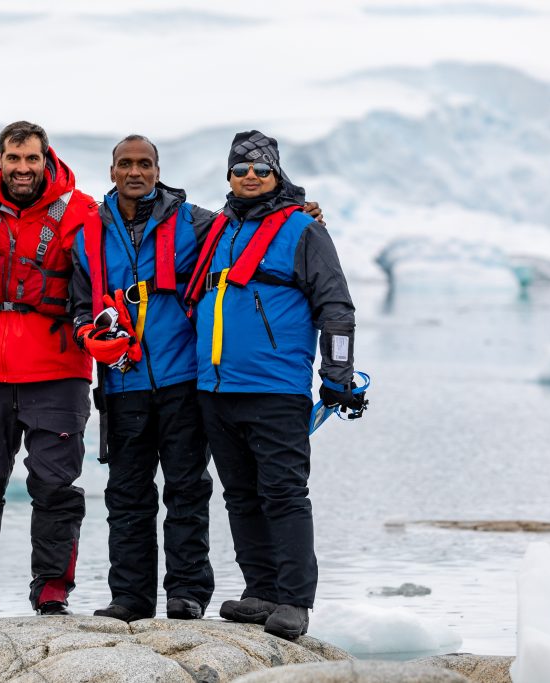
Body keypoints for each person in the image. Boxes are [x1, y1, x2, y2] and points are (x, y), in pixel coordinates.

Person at [184, 130, 365, 640]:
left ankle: (294, 601)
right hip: (215, 389)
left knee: (284, 493)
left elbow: (336, 306)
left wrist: (338, 376)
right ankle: (260, 590)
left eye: (260, 169)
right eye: (240, 169)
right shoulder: (216, 229)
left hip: (276, 388)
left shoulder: (303, 231)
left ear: (276, 174)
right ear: (229, 176)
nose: (249, 177)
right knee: (240, 495)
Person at [0, 121, 96, 615]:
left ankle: (51, 589)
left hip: (58, 370)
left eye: (32, 159)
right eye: (14, 159)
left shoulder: (82, 211)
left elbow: (151, 228)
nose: (23, 169)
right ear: (0, 159)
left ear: (46, 158)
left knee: (55, 487)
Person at [69, 135, 215, 622]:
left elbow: (252, 225)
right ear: (111, 171)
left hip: (183, 380)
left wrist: (303, 208)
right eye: (126, 163)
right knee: (127, 496)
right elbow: (76, 302)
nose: (136, 172)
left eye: (145, 164)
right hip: (122, 383)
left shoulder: (195, 222)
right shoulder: (88, 232)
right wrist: (87, 332)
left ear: (158, 169)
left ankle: (187, 594)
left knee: (187, 490)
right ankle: (130, 598)